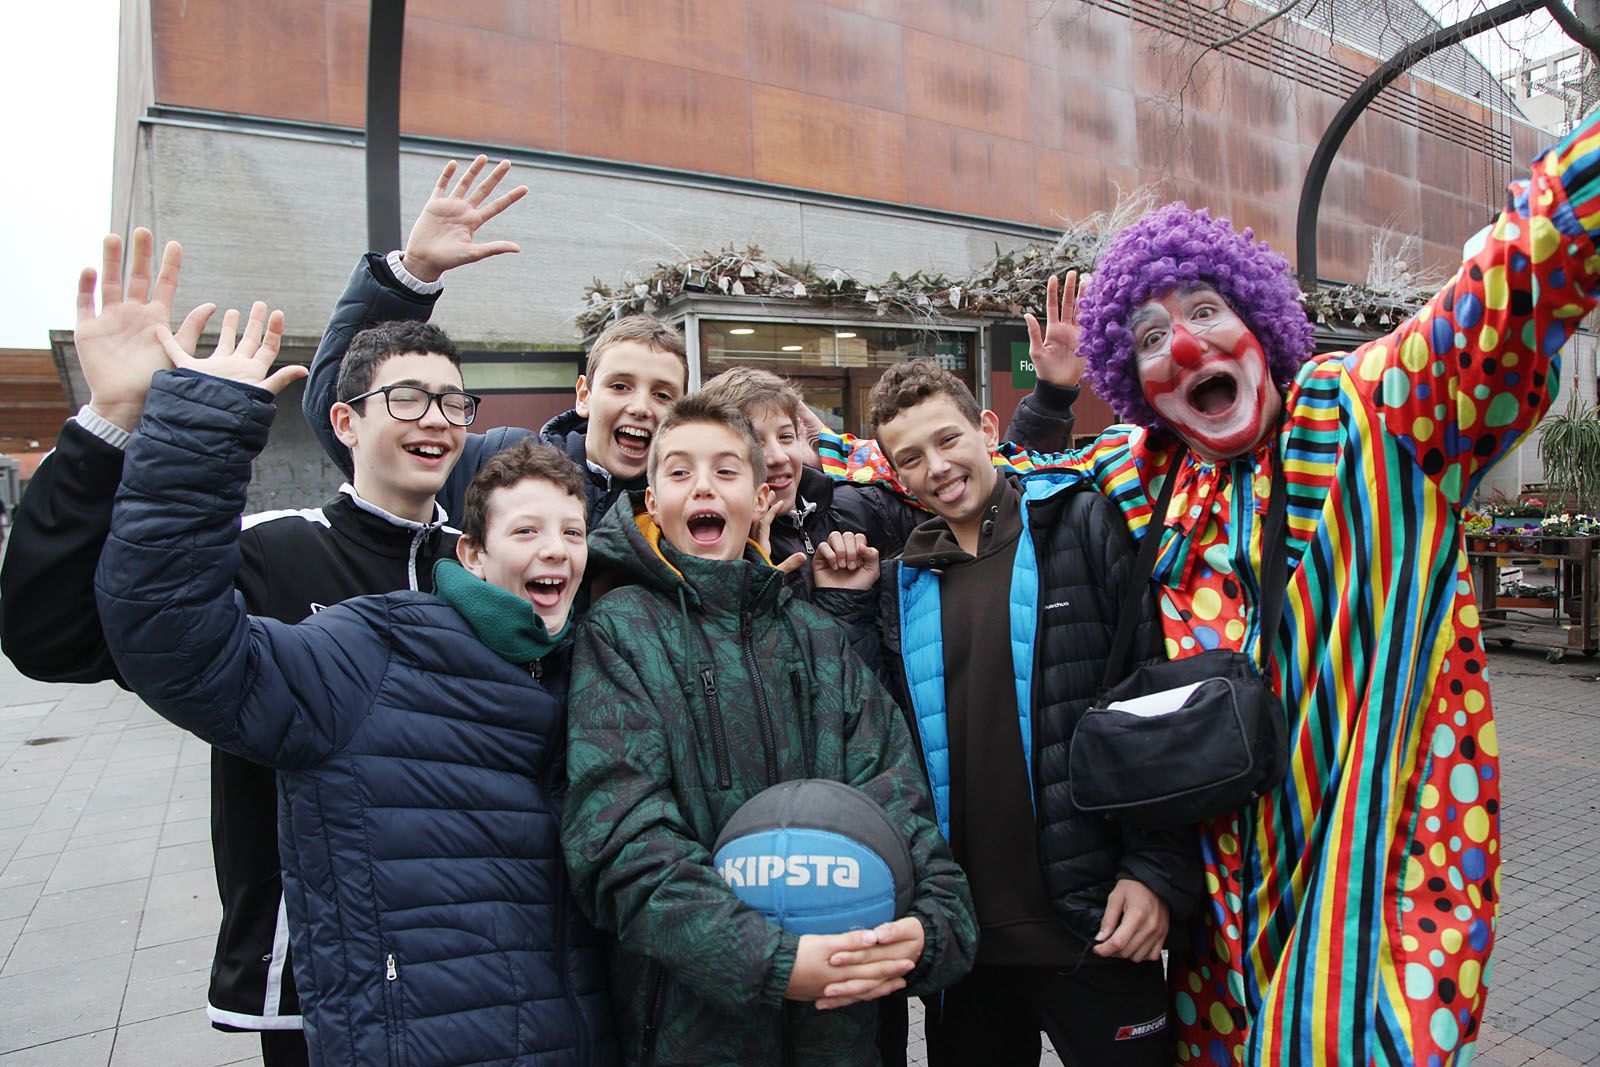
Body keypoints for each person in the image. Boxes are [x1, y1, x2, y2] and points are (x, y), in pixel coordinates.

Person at [822, 107, 1600, 1065]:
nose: (1184, 348)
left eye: (1202, 313)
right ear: (1137, 378)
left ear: (1257, 319)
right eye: (1151, 336)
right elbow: (983, 474)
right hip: (1221, 920)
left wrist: (1578, 180)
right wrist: (773, 478)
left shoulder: (1379, 414)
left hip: (1373, 888)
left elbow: (1515, 283)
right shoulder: (1146, 473)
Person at [0, 232, 476, 1064]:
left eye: (453, 402)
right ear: (344, 420)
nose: (435, 418)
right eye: (406, 398)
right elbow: (54, 638)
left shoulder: (487, 570)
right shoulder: (266, 549)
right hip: (312, 979)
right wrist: (111, 420)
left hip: (464, 962)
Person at [91, 315, 616, 1065]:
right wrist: (197, 424)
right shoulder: (372, 646)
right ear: (471, 553)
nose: (555, 551)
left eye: (572, 533)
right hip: (413, 1024)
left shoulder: (587, 665)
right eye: (526, 531)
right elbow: (177, 642)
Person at [560, 394, 978, 1066]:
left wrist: (931, 928)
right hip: (692, 1032)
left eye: (726, 471)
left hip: (841, 1029)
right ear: (653, 501)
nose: (703, 486)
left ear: (760, 500)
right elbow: (621, 839)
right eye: (680, 471)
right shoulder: (620, 630)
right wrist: (771, 962)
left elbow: (897, 797)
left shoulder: (816, 638)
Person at [816, 360, 1197, 1066]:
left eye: (947, 439)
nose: (937, 467)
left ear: (987, 429)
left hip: (1097, 921)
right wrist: (849, 602)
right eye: (911, 458)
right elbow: (877, 731)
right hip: (967, 948)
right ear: (895, 475)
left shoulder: (1081, 523)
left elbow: (1153, 699)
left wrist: (1155, 869)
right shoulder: (904, 583)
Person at [300, 155, 688, 521]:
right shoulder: (491, 465)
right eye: (620, 386)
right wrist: (414, 272)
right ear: (584, 395)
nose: (640, 407)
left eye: (662, 394)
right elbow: (344, 407)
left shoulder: (688, 510)